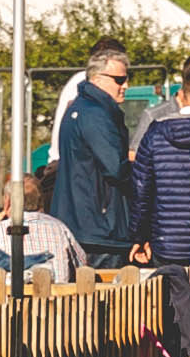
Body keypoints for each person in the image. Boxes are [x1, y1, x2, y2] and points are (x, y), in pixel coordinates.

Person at [127, 60, 190, 357]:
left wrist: (139, 236)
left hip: (165, 239)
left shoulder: (155, 135)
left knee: (170, 310)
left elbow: (141, 189)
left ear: (181, 95)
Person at [44, 45, 142, 272]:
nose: (125, 85)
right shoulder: (95, 114)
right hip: (99, 229)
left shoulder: (82, 108)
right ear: (98, 79)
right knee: (103, 301)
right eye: (119, 79)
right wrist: (142, 167)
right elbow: (116, 168)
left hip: (84, 224)